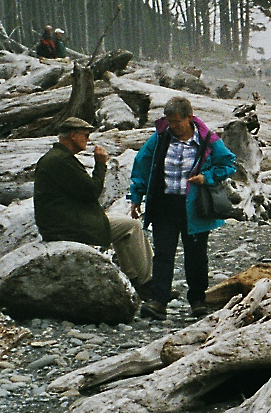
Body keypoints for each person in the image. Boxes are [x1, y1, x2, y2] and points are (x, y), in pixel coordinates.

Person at [129, 96, 237, 319]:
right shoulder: (160, 138)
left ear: (189, 117)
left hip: (194, 207)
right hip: (164, 204)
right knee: (163, 254)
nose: (173, 126)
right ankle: (158, 300)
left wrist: (206, 177)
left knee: (196, 255)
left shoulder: (208, 139)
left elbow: (227, 164)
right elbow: (142, 163)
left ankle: (198, 300)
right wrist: (136, 196)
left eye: (177, 121)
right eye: (169, 121)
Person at [32, 117, 150, 287]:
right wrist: (100, 164)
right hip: (67, 227)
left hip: (61, 222)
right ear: (73, 135)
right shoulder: (62, 161)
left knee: (122, 226)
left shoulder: (55, 158)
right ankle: (147, 282)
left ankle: (133, 278)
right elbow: (91, 191)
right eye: (86, 136)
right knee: (132, 226)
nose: (88, 140)